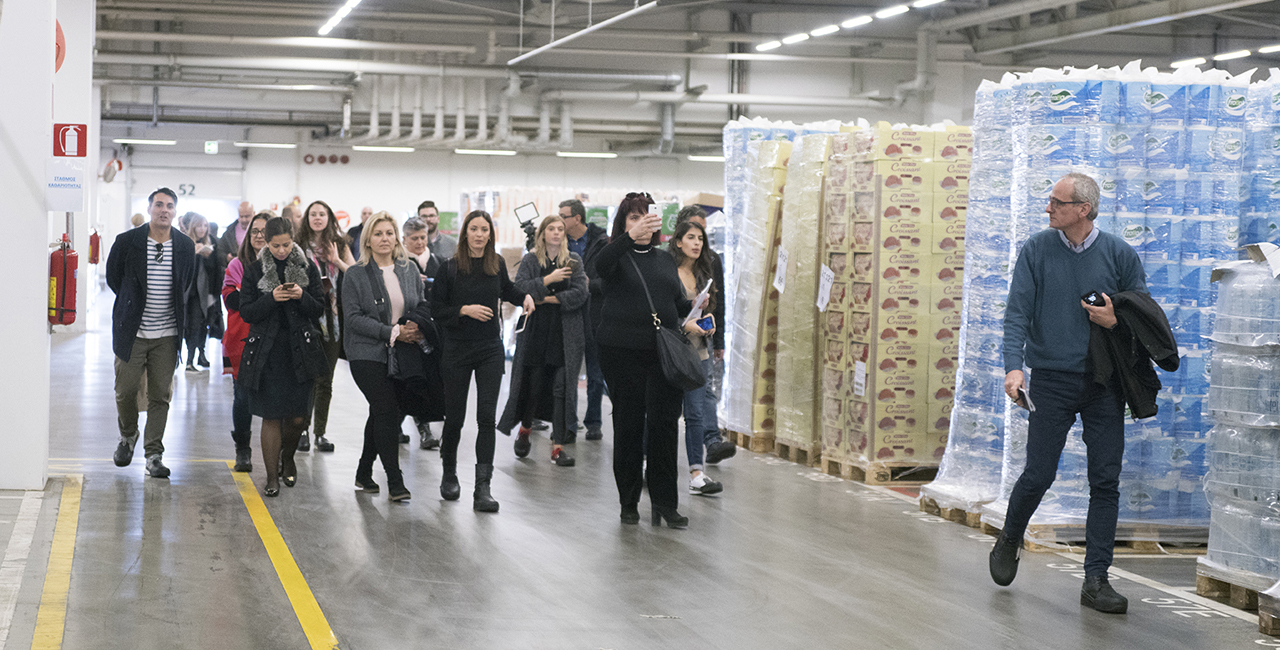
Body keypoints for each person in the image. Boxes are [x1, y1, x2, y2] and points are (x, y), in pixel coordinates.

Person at [990, 172, 1146, 614]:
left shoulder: (1119, 254)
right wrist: (1014, 368)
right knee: (1039, 473)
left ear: (1083, 209)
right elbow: (1016, 314)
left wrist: (1115, 321)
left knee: (1105, 480)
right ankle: (1010, 537)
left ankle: (1096, 580)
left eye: (1056, 202)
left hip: (1104, 382)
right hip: (1052, 380)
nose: (1048, 208)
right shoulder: (1037, 250)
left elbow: (1144, 316)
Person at [595, 192, 696, 529]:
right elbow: (601, 266)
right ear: (623, 223)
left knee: (664, 425)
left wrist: (695, 309)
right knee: (629, 423)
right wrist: (628, 238)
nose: (641, 223)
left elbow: (676, 303)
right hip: (621, 351)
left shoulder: (665, 260)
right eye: (633, 217)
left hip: (663, 353)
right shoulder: (614, 256)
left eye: (646, 217)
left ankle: (665, 503)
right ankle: (629, 501)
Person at [432, 210, 535, 513]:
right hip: (457, 349)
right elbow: (436, 309)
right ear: (465, 232)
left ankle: (483, 487)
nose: (479, 235)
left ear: (491, 234)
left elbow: (507, 289)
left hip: (490, 348)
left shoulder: (496, 264)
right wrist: (464, 310)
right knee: (455, 418)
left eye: (484, 230)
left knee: (486, 418)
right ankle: (449, 473)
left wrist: (524, 297)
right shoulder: (450, 267)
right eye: (474, 229)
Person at [106, 187, 195, 479]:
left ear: (175, 211)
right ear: (149, 209)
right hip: (133, 332)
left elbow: (185, 283)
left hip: (167, 335)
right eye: (159, 205)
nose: (164, 210)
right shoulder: (127, 242)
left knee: (160, 395)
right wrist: (131, 305)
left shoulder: (184, 246)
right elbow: (115, 278)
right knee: (125, 391)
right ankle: (127, 435)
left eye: (169, 206)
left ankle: (154, 454)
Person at [237, 217, 328, 497]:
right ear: (266, 242)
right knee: (271, 417)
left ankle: (287, 457)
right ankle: (271, 477)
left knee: (298, 418)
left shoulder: (307, 267)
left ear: (293, 240)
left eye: (286, 245)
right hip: (267, 354)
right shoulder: (254, 271)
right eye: (275, 245)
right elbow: (246, 312)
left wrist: (301, 295)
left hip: (300, 350)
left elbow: (319, 308)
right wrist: (271, 298)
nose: (281, 250)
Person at [343, 212, 430, 502]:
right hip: (366, 351)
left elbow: (421, 303)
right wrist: (391, 331)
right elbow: (353, 318)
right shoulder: (355, 274)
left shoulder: (408, 269)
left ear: (396, 238)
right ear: (368, 239)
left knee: (382, 412)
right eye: (378, 233)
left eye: (389, 233)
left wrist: (416, 326)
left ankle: (363, 471)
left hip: (402, 351)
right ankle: (395, 480)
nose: (384, 239)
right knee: (386, 407)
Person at [498, 215, 589, 467]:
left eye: (560, 229)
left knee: (561, 389)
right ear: (543, 233)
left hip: (564, 333)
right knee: (534, 386)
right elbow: (520, 288)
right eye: (551, 228)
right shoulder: (531, 260)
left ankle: (558, 447)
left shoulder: (573, 260)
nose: (557, 233)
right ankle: (525, 429)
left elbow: (580, 292)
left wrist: (546, 299)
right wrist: (548, 280)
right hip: (536, 331)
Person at [668, 219, 730, 495]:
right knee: (664, 414)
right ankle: (651, 464)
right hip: (672, 353)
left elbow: (712, 308)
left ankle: (697, 473)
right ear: (678, 242)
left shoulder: (704, 274)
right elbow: (662, 314)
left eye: (700, 239)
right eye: (691, 237)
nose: (696, 243)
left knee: (695, 414)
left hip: (698, 352)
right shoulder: (668, 273)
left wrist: (709, 323)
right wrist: (684, 326)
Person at [295, 200, 355, 452]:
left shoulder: (339, 244)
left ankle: (320, 432)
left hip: (333, 320)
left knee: (325, 380)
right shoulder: (298, 246)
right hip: (307, 316)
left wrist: (336, 260)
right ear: (307, 218)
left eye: (322, 214)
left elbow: (355, 274)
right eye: (313, 214)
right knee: (307, 379)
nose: (317, 218)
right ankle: (302, 430)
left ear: (329, 218)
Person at [222, 212, 270, 473]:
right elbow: (231, 300)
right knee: (242, 398)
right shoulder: (237, 265)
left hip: (273, 340)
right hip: (242, 340)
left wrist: (250, 295)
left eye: (264, 231)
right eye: (255, 231)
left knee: (274, 398)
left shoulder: (285, 264)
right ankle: (243, 448)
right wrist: (266, 298)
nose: (259, 236)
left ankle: (277, 453)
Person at [559, 198, 610, 443]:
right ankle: (567, 422)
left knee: (595, 373)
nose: (559, 221)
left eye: (563, 216)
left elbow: (610, 280)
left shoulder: (601, 242)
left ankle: (594, 422)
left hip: (595, 314)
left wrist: (590, 285)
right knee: (567, 372)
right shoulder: (559, 242)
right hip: (568, 313)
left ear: (577, 218)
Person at [402, 216, 442, 450]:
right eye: (414, 238)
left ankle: (423, 428)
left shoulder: (439, 262)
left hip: (432, 329)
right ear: (404, 239)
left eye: (422, 237)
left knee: (427, 379)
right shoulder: (400, 265)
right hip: (408, 328)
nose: (419, 242)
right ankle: (410, 427)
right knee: (408, 379)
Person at [183, 213, 223, 372]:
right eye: (199, 225)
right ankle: (190, 360)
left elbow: (216, 268)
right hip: (193, 294)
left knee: (205, 325)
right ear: (193, 226)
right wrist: (194, 253)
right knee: (193, 325)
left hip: (209, 292)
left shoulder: (212, 243)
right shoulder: (186, 243)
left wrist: (208, 256)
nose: (202, 229)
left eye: (205, 226)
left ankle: (201, 354)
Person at [217, 201, 255, 267]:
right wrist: (226, 258)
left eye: (247, 216)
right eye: (241, 216)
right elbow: (219, 251)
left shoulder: (260, 230)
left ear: (253, 214)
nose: (244, 220)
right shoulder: (229, 232)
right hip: (235, 268)